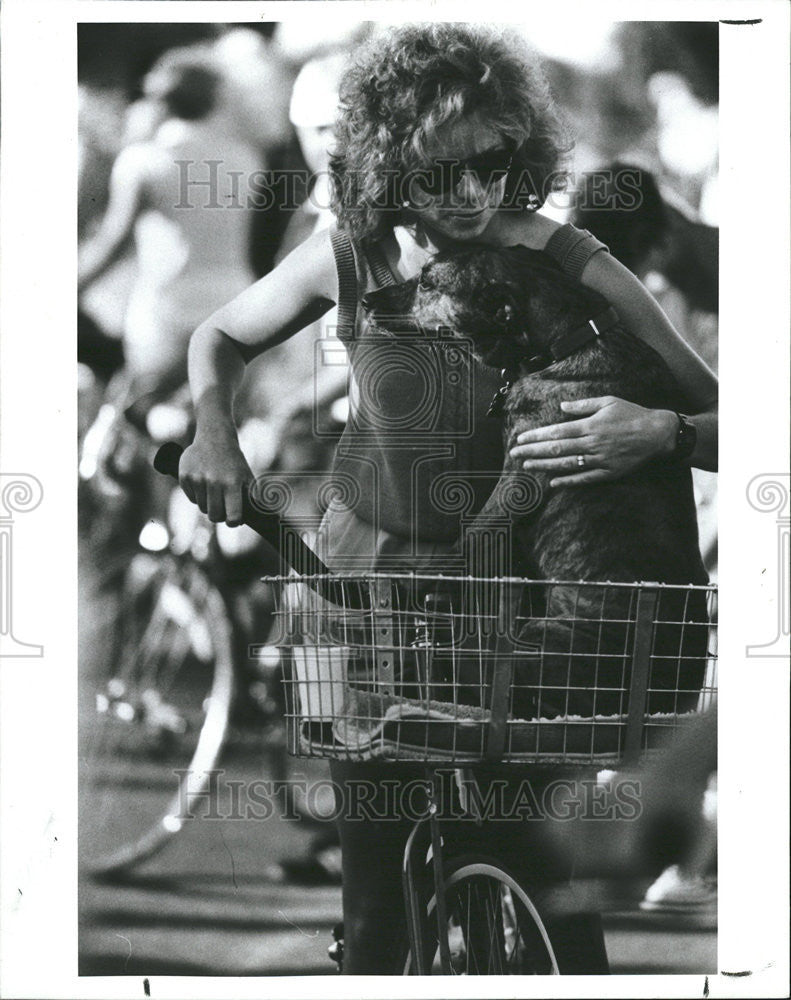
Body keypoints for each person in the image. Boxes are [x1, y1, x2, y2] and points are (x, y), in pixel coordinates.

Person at [178, 24, 718, 974]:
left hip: (518, 613)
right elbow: (218, 337)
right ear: (389, 167)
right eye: (436, 173)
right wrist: (213, 436)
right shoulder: (351, 252)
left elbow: (726, 415)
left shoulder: (572, 258)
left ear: (522, 154)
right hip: (366, 598)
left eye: (492, 163)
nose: (469, 193)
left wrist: (659, 429)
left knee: (544, 885)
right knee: (380, 912)